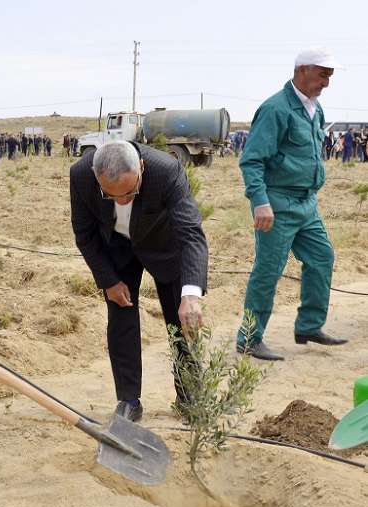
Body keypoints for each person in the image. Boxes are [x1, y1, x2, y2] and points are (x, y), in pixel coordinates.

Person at [70, 140, 208, 422]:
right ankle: (129, 400)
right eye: (112, 196)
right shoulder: (81, 174)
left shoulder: (166, 170)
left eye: (130, 192)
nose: (123, 202)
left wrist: (191, 295)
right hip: (116, 249)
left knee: (181, 321)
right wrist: (108, 280)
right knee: (121, 320)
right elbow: (84, 234)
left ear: (142, 168)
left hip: (164, 244)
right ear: (97, 178)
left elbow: (191, 233)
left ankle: (189, 395)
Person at [235, 48, 347, 362]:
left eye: (330, 75)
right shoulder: (276, 109)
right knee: (268, 271)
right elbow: (252, 161)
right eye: (323, 74)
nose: (327, 82)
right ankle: (248, 339)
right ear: (302, 70)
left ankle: (309, 326)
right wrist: (260, 202)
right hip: (277, 204)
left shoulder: (315, 109)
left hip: (306, 203)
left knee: (322, 256)